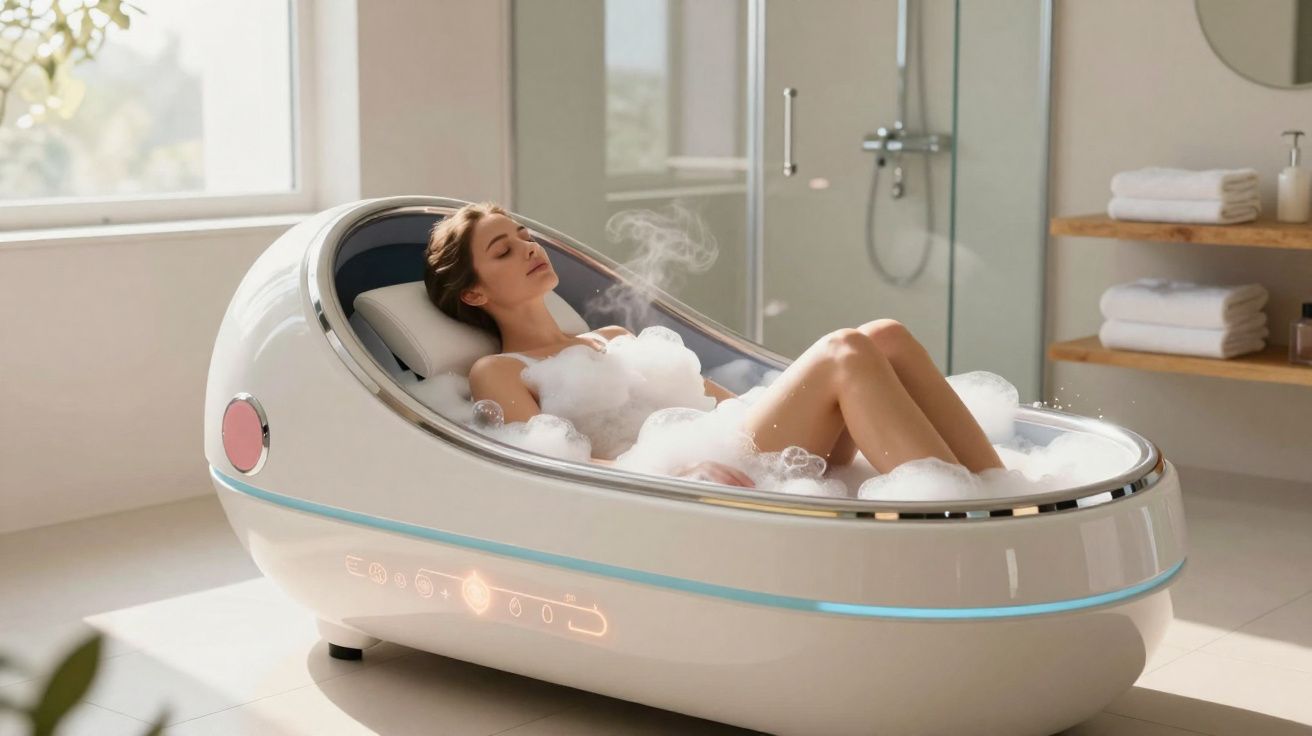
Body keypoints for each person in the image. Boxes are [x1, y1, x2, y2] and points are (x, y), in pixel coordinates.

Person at [423, 201, 1003, 489]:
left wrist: (801, 403)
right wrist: (671, 472)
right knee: (847, 348)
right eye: (503, 251)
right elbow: (546, 463)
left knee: (886, 337)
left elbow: (727, 404)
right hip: (687, 476)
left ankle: (1008, 494)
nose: (528, 248)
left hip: (739, 448)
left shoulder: (615, 339)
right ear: (473, 294)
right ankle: (959, 518)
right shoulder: (499, 370)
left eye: (524, 236)